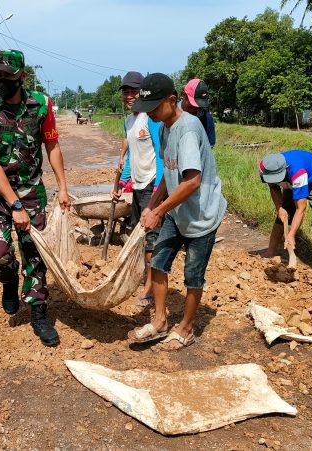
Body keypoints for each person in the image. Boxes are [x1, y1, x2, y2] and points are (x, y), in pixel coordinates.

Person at [0, 49, 70, 346]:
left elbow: (52, 145)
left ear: (22, 76)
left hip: (31, 190)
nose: (2, 82)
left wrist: (62, 186)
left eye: (8, 76)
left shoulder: (41, 104)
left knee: (35, 253)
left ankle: (38, 311)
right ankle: (9, 280)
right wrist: (14, 205)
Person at [126, 73, 227, 352]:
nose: (151, 114)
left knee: (193, 275)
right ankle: (159, 321)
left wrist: (158, 210)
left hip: (202, 214)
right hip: (177, 211)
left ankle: (186, 328)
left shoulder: (189, 128)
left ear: (172, 100)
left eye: (155, 107)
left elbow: (192, 181)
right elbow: (169, 174)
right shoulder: (164, 127)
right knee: (158, 262)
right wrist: (152, 204)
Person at [112, 71, 164, 305]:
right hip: (139, 186)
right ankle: (145, 278)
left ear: (142, 92)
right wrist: (123, 183)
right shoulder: (129, 121)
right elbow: (132, 155)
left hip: (153, 185)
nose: (129, 96)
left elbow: (161, 156)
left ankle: (151, 288)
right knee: (138, 234)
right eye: (126, 92)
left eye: (134, 91)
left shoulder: (151, 118)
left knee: (151, 238)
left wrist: (157, 193)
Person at [259, 150, 312, 272]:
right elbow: (273, 187)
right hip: (290, 181)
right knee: (283, 214)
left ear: (285, 168)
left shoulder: (298, 172)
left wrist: (291, 235)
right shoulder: (265, 168)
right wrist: (279, 208)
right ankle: (271, 251)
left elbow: (301, 208)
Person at [180, 79, 216, 147]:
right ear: (183, 95)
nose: (196, 107)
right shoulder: (171, 116)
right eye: (193, 103)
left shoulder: (207, 118)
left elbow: (210, 146)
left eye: (200, 104)